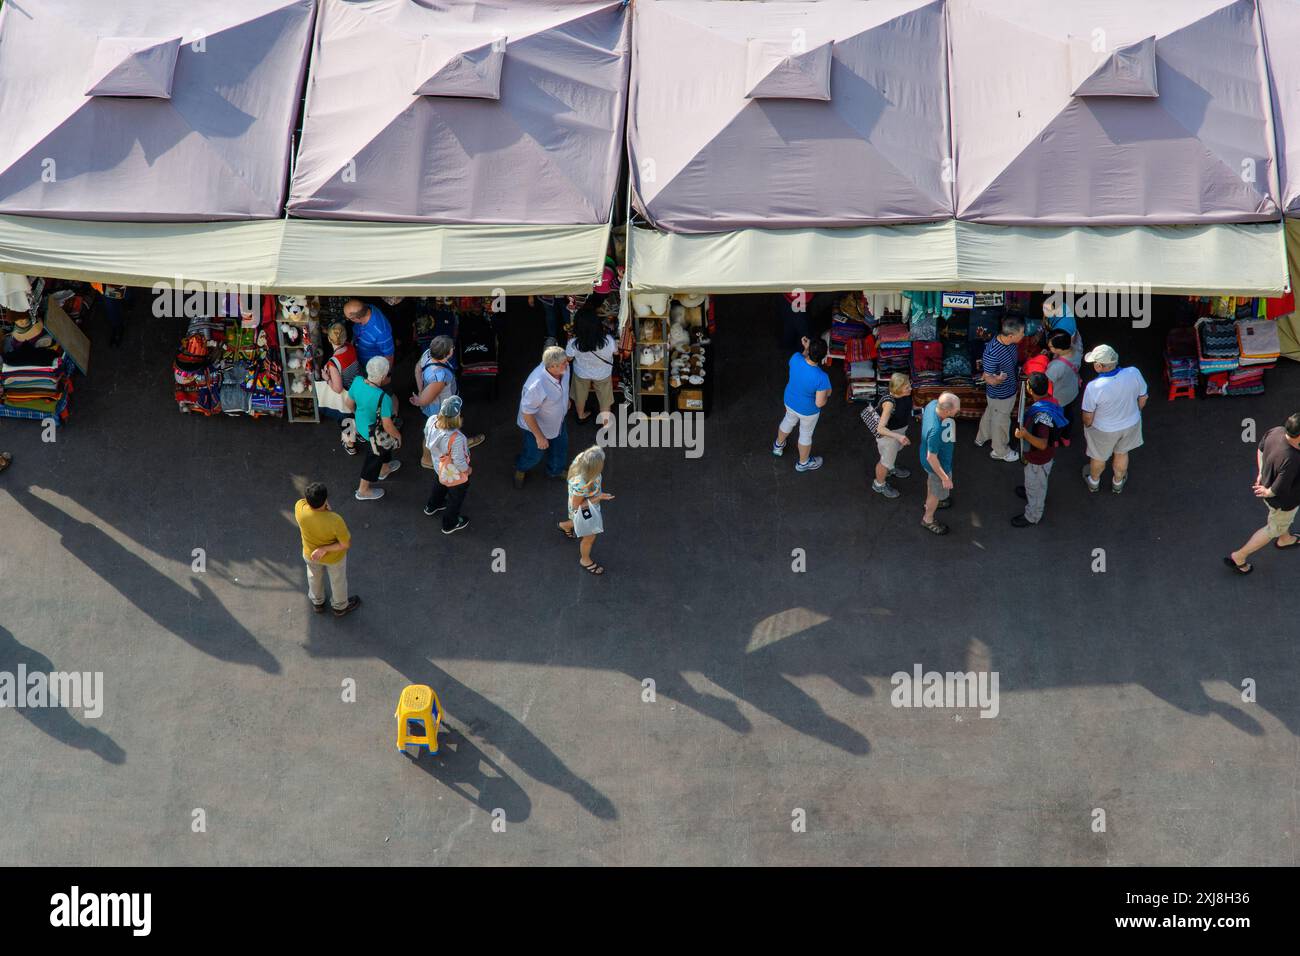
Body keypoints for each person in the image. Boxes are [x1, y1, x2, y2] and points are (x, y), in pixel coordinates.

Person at [1225, 413, 1300, 575]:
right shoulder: (1293, 459)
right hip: (1284, 502)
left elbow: (1260, 449)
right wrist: (1269, 491)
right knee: (1273, 527)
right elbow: (1279, 488)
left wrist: (1261, 473)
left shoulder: (1276, 432)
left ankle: (1285, 539)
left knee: (1279, 520)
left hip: (1267, 487)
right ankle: (1239, 557)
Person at [1080, 344, 1147, 494]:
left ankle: (1094, 482)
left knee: (1098, 457)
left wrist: (1088, 426)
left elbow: (1088, 416)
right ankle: (1117, 483)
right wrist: (1135, 413)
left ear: (1098, 366)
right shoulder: (1133, 372)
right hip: (1131, 423)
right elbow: (1143, 398)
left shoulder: (1094, 387)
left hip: (1104, 429)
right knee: (1122, 453)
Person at [411, 335, 483, 468]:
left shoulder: (427, 353)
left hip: (440, 404)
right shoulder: (440, 375)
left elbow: (417, 369)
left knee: (435, 430)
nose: (453, 349)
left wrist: (421, 389)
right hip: (442, 408)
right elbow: (425, 400)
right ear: (447, 353)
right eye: (452, 348)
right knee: (441, 431)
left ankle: (432, 456)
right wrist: (420, 398)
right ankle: (433, 458)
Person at [294, 482, 361, 617]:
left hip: (310, 554)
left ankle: (317, 602)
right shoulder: (335, 520)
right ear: (325, 500)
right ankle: (339, 607)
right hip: (334, 558)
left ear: (308, 500)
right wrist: (324, 548)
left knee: (313, 576)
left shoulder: (300, 509)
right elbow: (345, 544)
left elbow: (303, 502)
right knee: (337, 581)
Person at [1011, 371, 1068, 527]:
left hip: (1038, 459)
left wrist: (1024, 435)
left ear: (1030, 389)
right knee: (1036, 483)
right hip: (1044, 457)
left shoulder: (1042, 416)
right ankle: (1033, 492)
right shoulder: (1052, 401)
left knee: (1035, 486)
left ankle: (1033, 515)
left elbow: (1042, 444)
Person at [344, 356, 402, 501]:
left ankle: (384, 469)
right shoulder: (383, 398)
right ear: (382, 377)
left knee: (382, 450)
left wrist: (358, 414)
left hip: (363, 426)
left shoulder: (357, 381)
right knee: (373, 460)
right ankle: (363, 490)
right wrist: (398, 436)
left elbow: (349, 403)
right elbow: (388, 426)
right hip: (375, 434)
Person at [514, 346, 571, 488]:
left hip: (558, 421)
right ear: (553, 366)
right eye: (564, 363)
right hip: (537, 427)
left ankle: (555, 471)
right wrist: (539, 437)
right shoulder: (537, 385)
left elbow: (563, 386)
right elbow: (527, 413)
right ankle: (521, 468)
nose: (568, 364)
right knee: (534, 455)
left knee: (560, 447)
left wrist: (566, 399)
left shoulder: (563, 369)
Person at [773, 335, 832, 472]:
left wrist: (806, 349)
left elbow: (802, 358)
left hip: (790, 401)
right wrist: (827, 395)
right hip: (808, 411)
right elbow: (819, 403)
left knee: (788, 420)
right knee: (805, 434)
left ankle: (778, 446)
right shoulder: (822, 377)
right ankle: (803, 463)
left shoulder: (795, 358)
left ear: (809, 349)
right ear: (824, 356)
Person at [557, 445, 614, 576]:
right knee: (589, 537)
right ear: (594, 468)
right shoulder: (582, 484)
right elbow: (577, 506)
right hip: (584, 509)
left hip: (586, 506)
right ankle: (585, 560)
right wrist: (599, 497)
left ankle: (564, 526)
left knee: (574, 521)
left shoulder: (582, 459)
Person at [975, 316, 1024, 462]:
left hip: (1004, 392)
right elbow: (987, 377)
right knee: (1001, 422)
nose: (1024, 335)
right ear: (1011, 335)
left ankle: (981, 437)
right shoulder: (993, 353)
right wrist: (997, 380)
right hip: (1001, 394)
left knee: (990, 413)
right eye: (1021, 333)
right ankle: (1000, 450)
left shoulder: (1010, 344)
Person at [423, 394, 472, 535]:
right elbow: (459, 461)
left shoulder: (431, 420)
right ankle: (450, 524)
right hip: (454, 473)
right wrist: (467, 470)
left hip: (439, 466)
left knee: (440, 483)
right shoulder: (456, 438)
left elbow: (426, 436)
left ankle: (432, 505)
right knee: (456, 497)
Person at [920, 392, 961, 535]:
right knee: (935, 493)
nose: (958, 411)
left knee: (931, 484)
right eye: (957, 409)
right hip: (938, 465)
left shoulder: (932, 405)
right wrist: (945, 477)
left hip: (930, 461)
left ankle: (928, 503)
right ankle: (928, 518)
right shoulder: (935, 431)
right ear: (947, 411)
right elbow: (931, 457)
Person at [566, 310, 617, 425]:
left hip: (581, 373)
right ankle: (605, 424)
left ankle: (581, 416)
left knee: (580, 395)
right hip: (603, 373)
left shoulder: (574, 343)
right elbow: (616, 352)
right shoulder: (608, 340)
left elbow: (568, 359)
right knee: (605, 399)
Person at [871, 373, 913, 499]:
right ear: (898, 389)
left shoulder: (904, 396)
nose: (910, 388)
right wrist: (898, 437)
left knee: (891, 456)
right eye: (907, 387)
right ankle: (879, 484)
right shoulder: (889, 403)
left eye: (909, 385)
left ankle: (891, 468)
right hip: (889, 437)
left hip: (898, 432)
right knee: (885, 462)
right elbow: (880, 428)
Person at [322, 322, 361, 455]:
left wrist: (326, 378)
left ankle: (350, 444)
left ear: (329, 339)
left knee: (346, 418)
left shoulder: (333, 362)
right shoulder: (351, 347)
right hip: (357, 389)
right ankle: (360, 433)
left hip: (346, 396)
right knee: (356, 414)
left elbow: (338, 388)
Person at [1044, 330, 1082, 444]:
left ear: (1059, 349)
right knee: (1069, 415)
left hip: (1059, 398)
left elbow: (1046, 380)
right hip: (1073, 391)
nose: (1049, 348)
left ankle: (1054, 440)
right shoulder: (1076, 350)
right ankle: (1066, 438)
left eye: (1051, 346)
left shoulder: (1056, 366)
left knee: (1056, 421)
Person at [344, 299, 395, 369]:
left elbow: (389, 356)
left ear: (356, 319)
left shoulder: (382, 332)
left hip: (372, 368)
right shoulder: (367, 308)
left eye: (348, 319)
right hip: (360, 359)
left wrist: (387, 374)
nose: (347, 320)